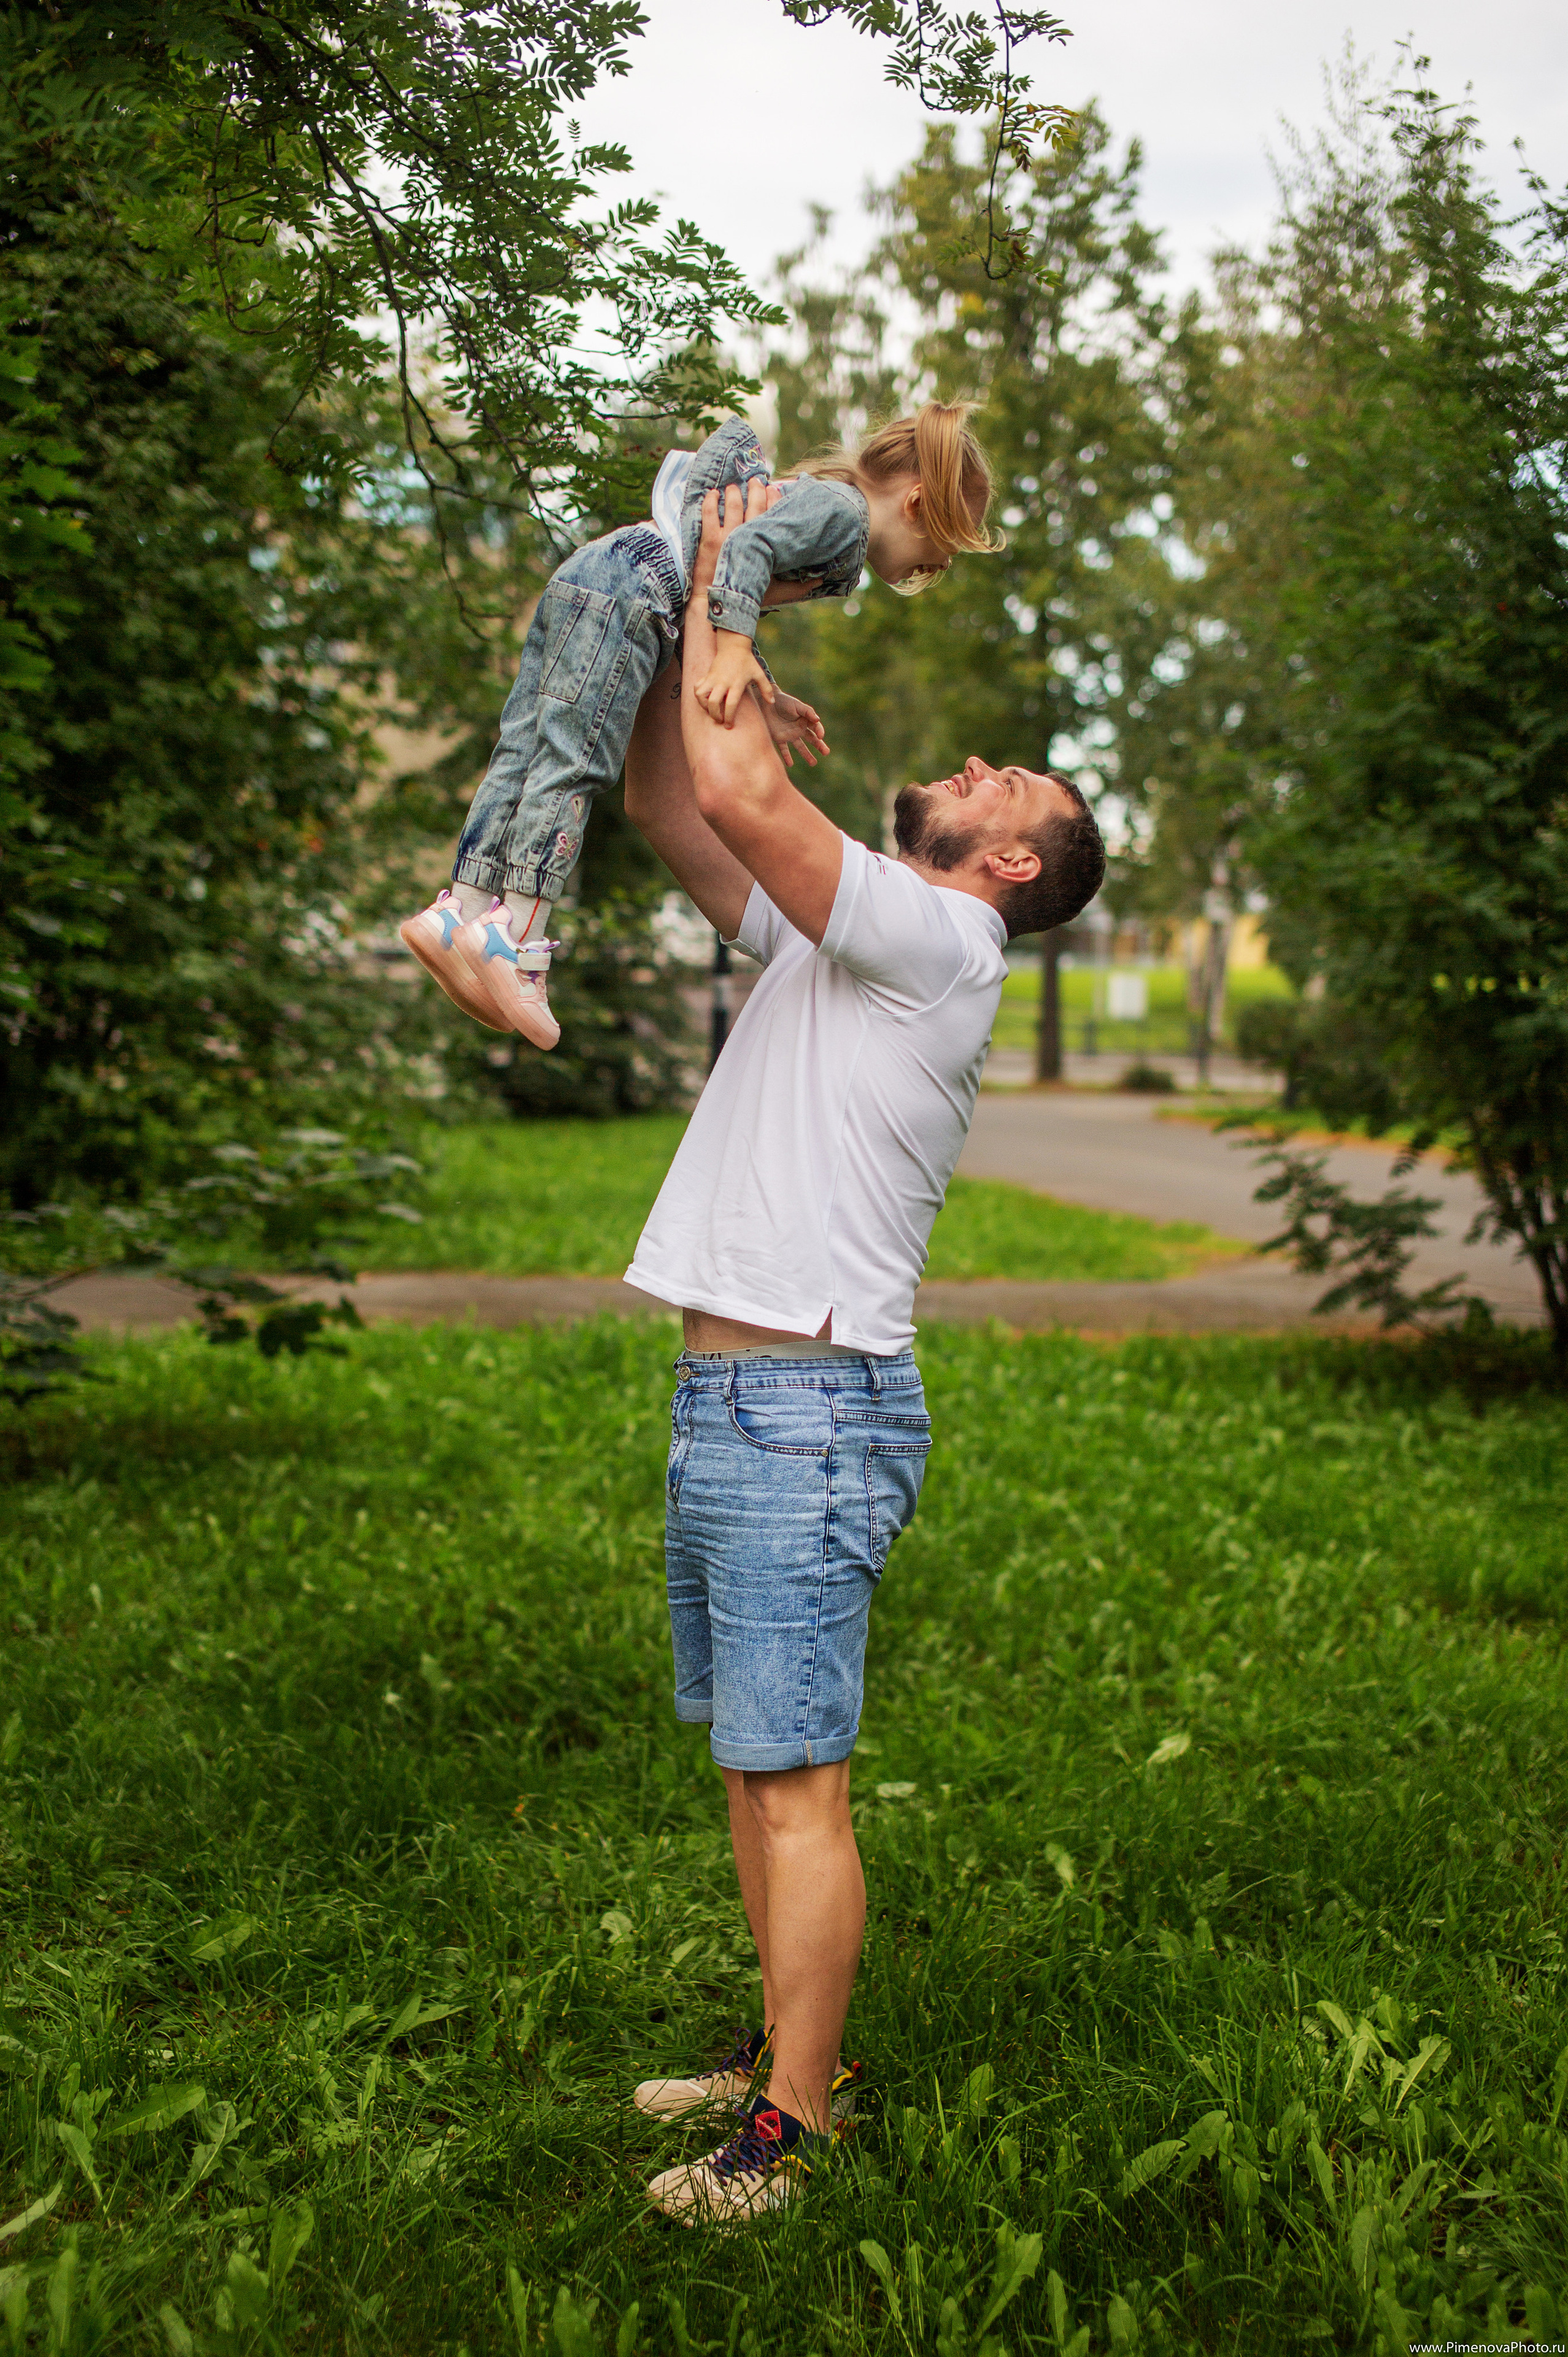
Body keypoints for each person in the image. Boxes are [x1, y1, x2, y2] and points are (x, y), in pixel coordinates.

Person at [617, 480, 1105, 2224]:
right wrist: (687, 646)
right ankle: (780, 2051)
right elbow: (678, 803)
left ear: (1009, 866)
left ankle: (794, 2129)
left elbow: (751, 792)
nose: (973, 763)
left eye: (1005, 783)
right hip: (740, 1399)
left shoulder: (940, 936)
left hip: (803, 1409)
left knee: (798, 1784)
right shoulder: (855, 938)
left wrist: (734, 589)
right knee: (755, 1770)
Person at [398, 403, 1002, 1050]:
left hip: (597, 572)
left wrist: (762, 688)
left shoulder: (826, 504)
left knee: (524, 750)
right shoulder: (845, 519)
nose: (936, 568)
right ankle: (514, 936)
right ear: (916, 504)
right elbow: (743, 550)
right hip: (638, 593)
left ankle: (459, 910)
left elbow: (721, 584)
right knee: (574, 763)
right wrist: (735, 650)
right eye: (943, 549)